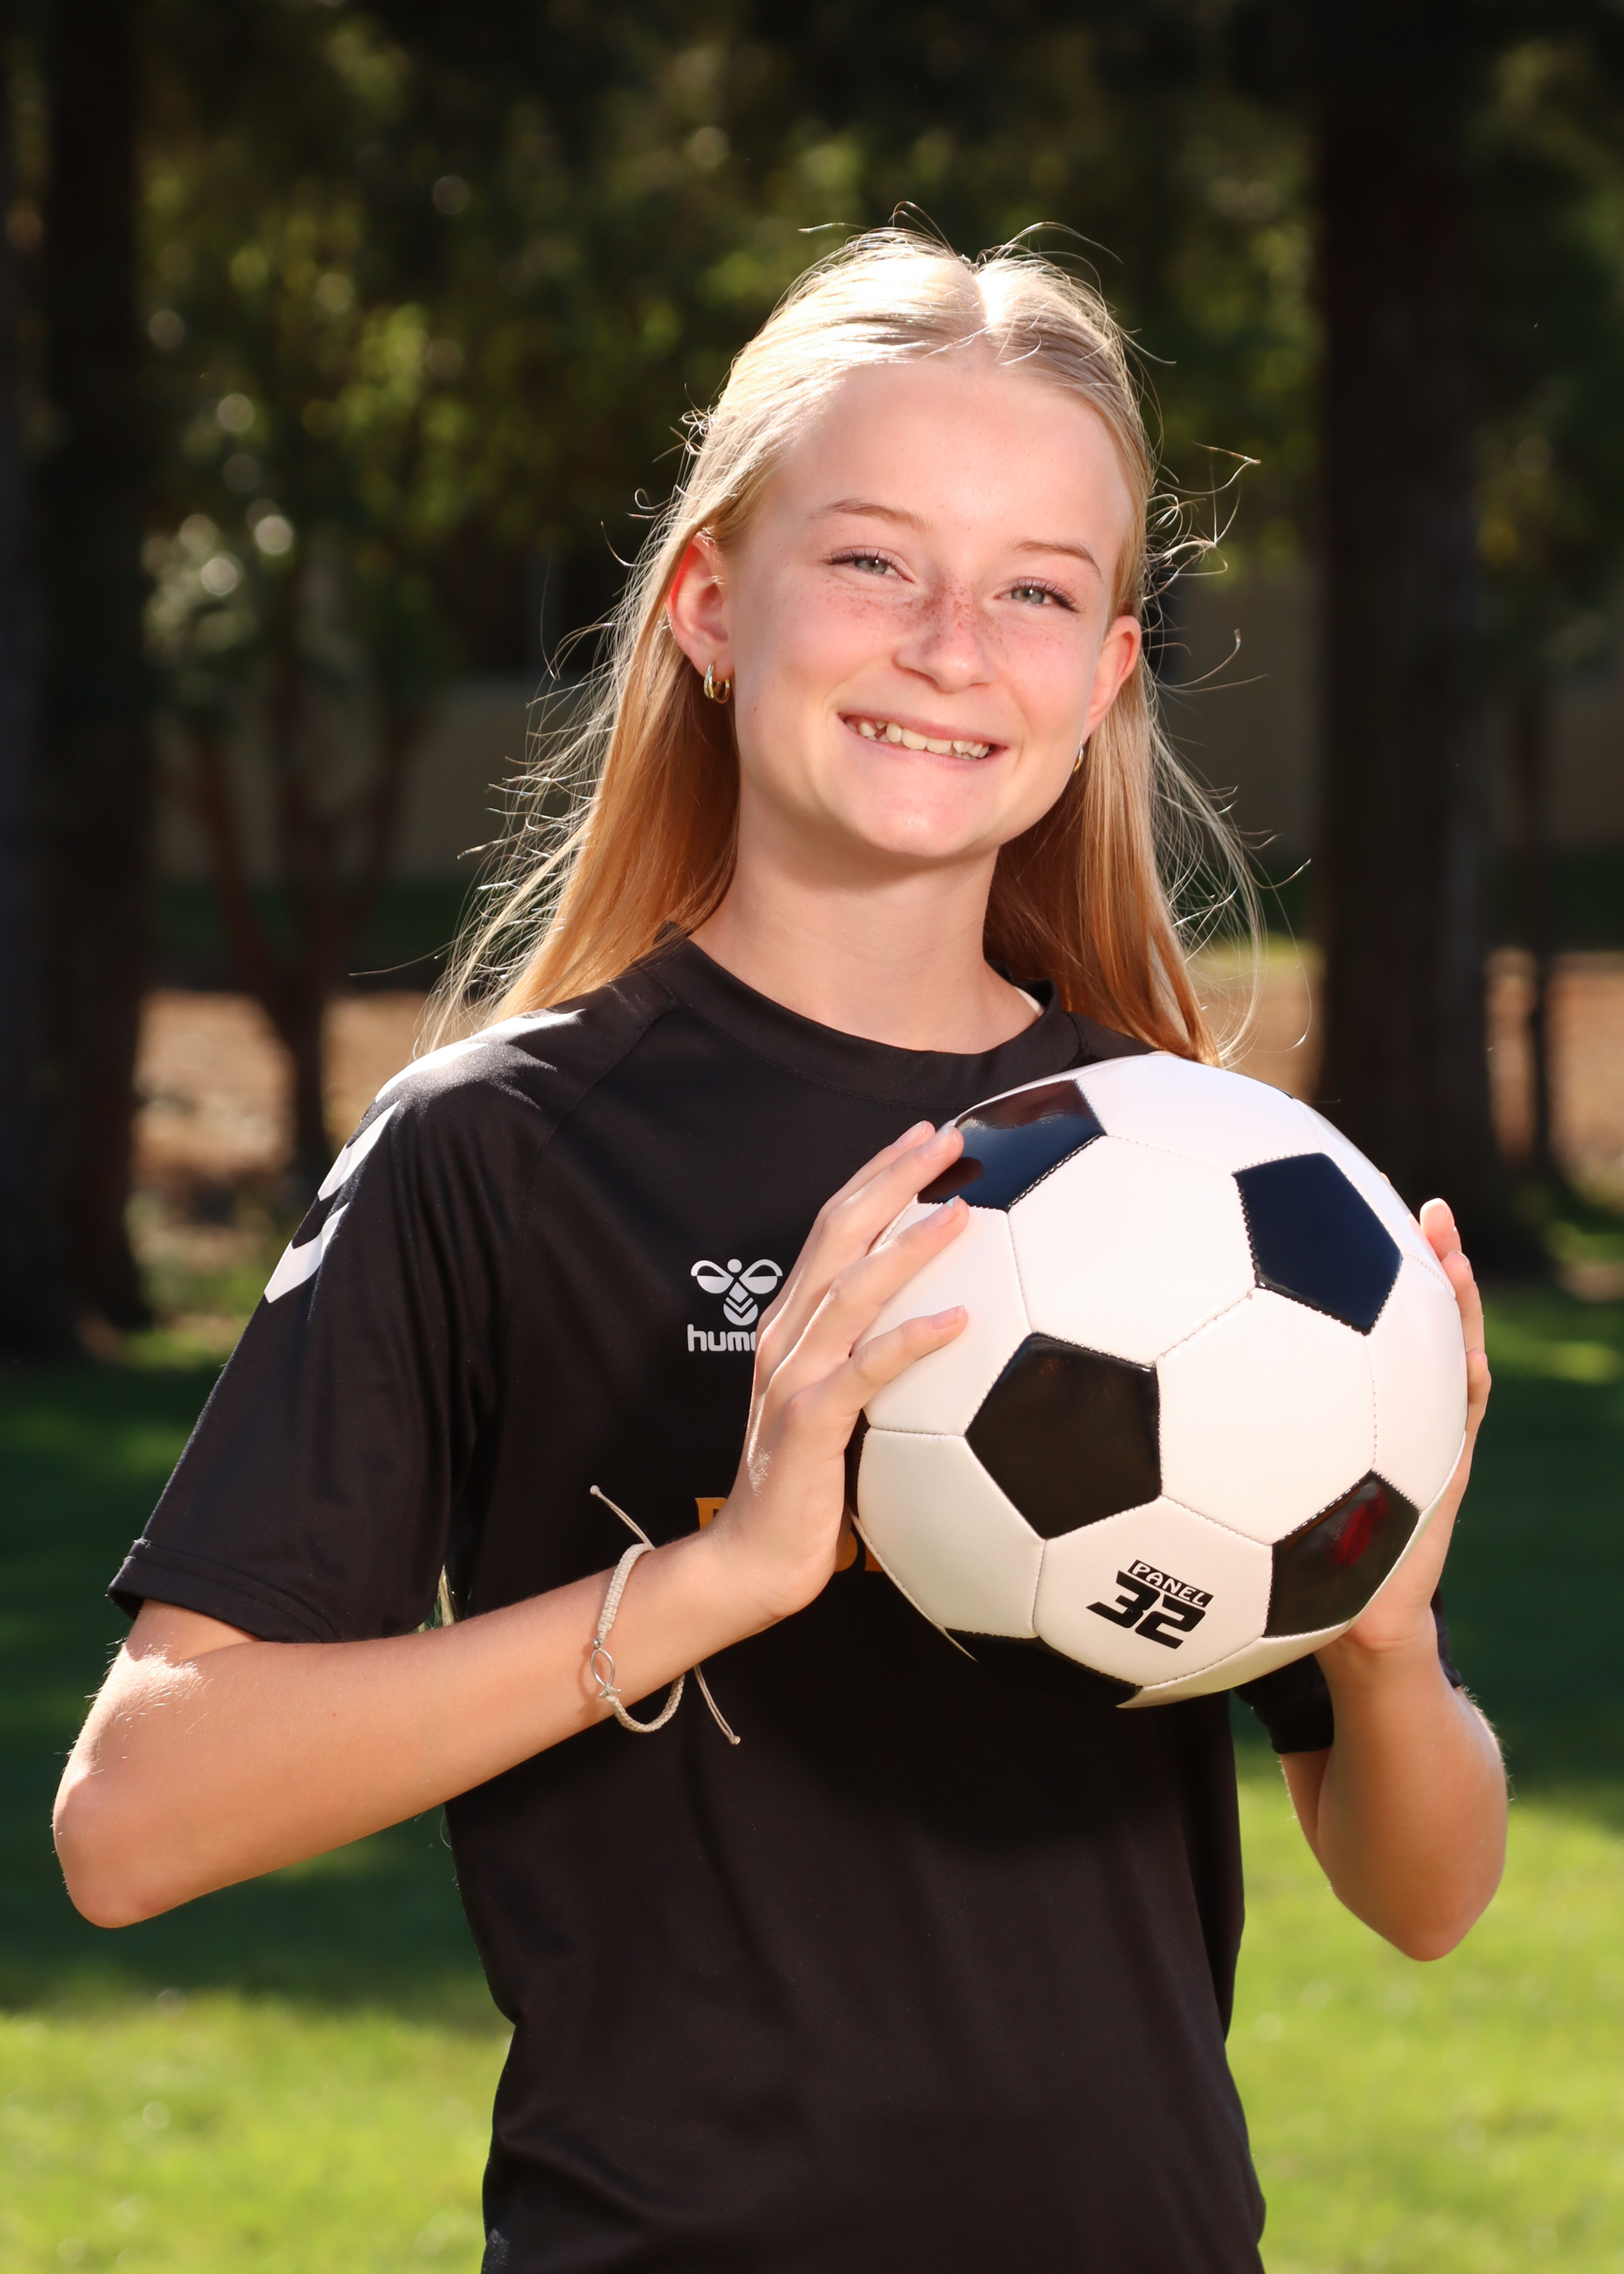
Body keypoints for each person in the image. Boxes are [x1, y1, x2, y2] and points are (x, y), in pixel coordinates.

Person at [54, 231, 1505, 2272]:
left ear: (1105, 675)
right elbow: (134, 1821)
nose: (947, 645)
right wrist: (723, 1575)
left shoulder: (1195, 1172)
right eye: (873, 560)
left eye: (1034, 589)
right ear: (710, 604)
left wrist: (1382, 1623)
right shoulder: (498, 1154)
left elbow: (1424, 1894)